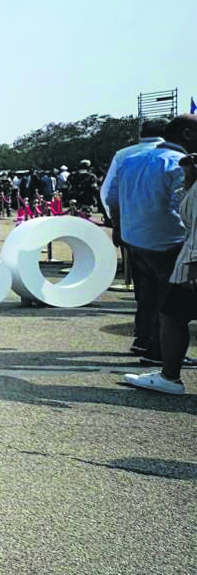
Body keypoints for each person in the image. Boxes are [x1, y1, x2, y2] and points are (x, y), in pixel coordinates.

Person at [105, 115, 197, 363]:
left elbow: (112, 199)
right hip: (168, 240)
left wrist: (119, 227)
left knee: (147, 293)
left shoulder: (131, 159)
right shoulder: (179, 163)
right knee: (170, 302)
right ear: (187, 134)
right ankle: (161, 351)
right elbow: (186, 206)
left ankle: (142, 339)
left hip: (134, 239)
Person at [124, 153, 197, 394]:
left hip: (191, 257)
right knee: (171, 314)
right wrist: (190, 176)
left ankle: (169, 375)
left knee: (172, 315)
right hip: (186, 252)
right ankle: (168, 374)